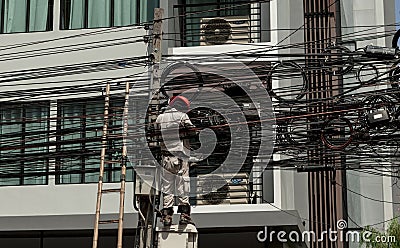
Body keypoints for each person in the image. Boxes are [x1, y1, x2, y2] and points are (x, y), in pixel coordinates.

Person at [155, 95, 196, 226]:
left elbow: (154, 132)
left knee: (167, 187)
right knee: (182, 185)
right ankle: (184, 214)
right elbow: (192, 130)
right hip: (180, 157)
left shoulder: (160, 118)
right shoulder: (182, 116)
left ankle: (167, 216)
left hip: (166, 158)